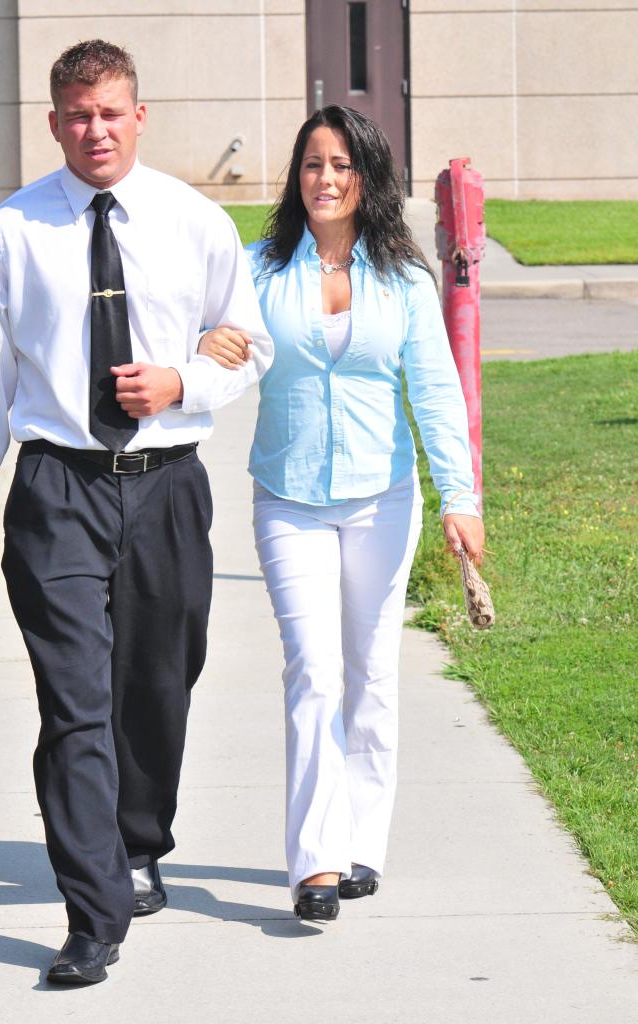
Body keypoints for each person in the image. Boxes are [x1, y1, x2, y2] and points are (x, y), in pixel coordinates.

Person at [0, 39, 272, 983]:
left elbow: (251, 347)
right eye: (78, 115)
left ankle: (138, 839)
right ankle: (93, 913)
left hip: (168, 485)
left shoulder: (195, 222)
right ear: (55, 124)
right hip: (57, 488)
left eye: (112, 112)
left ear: (141, 116)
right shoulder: (10, 232)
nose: (96, 130)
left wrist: (182, 381)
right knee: (74, 704)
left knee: (159, 687)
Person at [199, 105, 484, 921]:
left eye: (342, 165)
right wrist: (206, 347)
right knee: (314, 673)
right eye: (313, 164)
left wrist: (460, 499)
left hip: (383, 499)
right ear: (298, 176)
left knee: (372, 677)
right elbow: (216, 343)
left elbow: (434, 393)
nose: (326, 179)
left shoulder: (401, 278)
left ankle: (363, 842)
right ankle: (315, 862)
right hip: (287, 500)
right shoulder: (258, 269)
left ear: (369, 177)